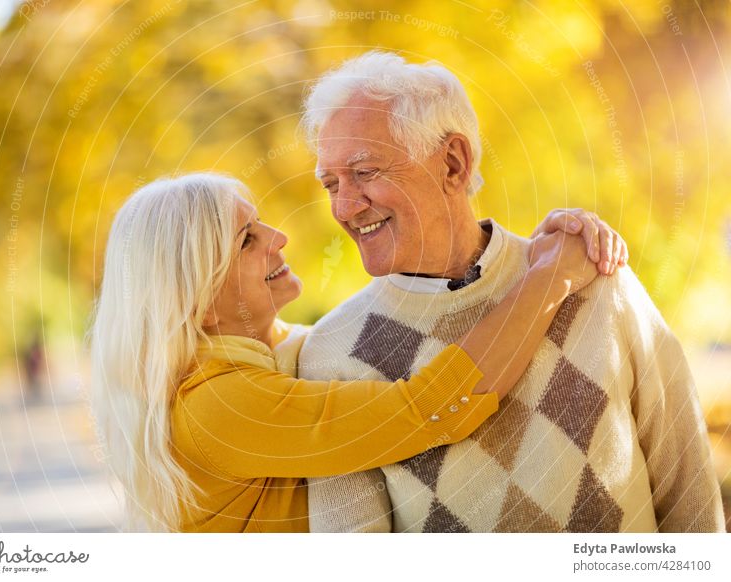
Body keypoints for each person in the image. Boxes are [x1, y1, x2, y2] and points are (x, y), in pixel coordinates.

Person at [301, 51, 724, 533]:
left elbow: (689, 495)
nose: (345, 206)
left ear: (453, 164)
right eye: (330, 183)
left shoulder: (597, 278)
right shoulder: (332, 354)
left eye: (366, 172)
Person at [89, 172, 624, 532]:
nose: (278, 237)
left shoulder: (280, 355)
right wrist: (548, 281)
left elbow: (423, 334)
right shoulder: (217, 407)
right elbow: (426, 411)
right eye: (247, 240)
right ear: (198, 302)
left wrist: (517, 261)